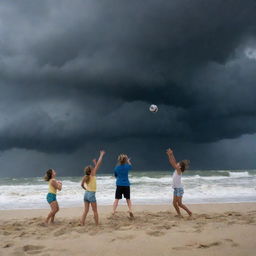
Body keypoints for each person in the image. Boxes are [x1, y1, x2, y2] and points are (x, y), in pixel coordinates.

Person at [80, 150, 105, 226]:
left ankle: (82, 223)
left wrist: (86, 189)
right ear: (91, 171)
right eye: (92, 169)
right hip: (91, 194)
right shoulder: (92, 175)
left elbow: (81, 185)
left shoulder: (86, 177)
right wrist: (101, 155)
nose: (94, 170)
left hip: (86, 194)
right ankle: (97, 224)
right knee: (95, 211)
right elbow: (98, 164)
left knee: (86, 210)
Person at [166, 148, 192, 217]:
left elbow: (173, 163)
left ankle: (189, 212)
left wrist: (170, 155)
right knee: (175, 203)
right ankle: (181, 214)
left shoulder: (179, 171)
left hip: (179, 189)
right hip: (176, 189)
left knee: (178, 204)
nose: (176, 164)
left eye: (178, 164)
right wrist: (170, 155)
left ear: (180, 167)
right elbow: (173, 161)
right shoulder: (177, 169)